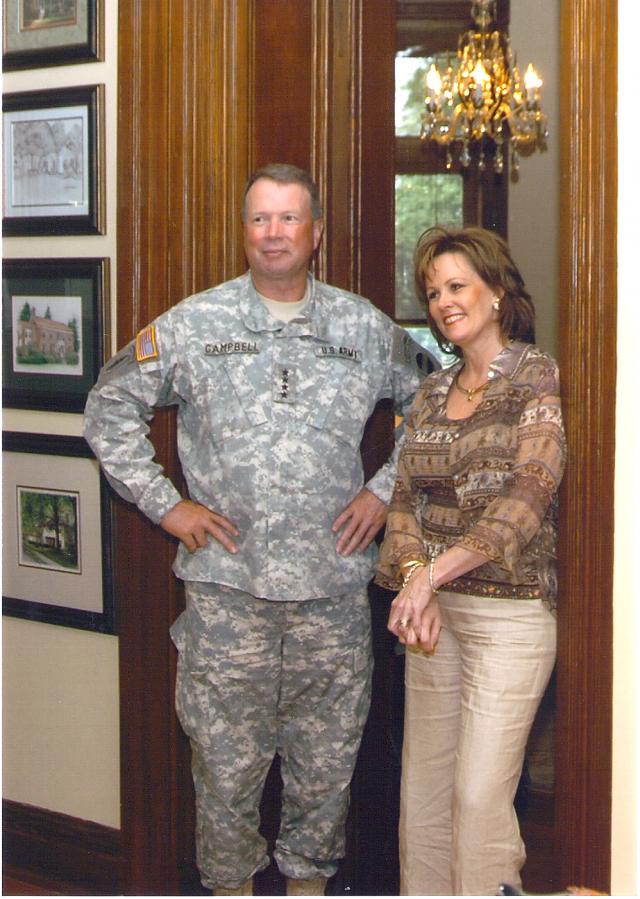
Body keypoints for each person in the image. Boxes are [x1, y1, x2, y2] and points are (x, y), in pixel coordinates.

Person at [84, 163, 426, 897]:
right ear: (244, 231)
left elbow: (437, 400)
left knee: (326, 771)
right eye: (260, 218)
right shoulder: (193, 324)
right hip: (227, 596)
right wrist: (166, 505)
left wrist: (383, 490)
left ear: (316, 233)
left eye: (289, 218)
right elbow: (108, 407)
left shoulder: (363, 327)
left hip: (331, 597)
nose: (274, 233)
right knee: (224, 774)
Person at [375, 226, 566, 896]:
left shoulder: (534, 376)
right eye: (433, 292)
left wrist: (430, 574)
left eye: (457, 286)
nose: (443, 303)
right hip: (433, 620)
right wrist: (413, 579)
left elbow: (529, 493)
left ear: (497, 291)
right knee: (423, 798)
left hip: (510, 617)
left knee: (480, 798)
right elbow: (403, 499)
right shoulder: (431, 391)